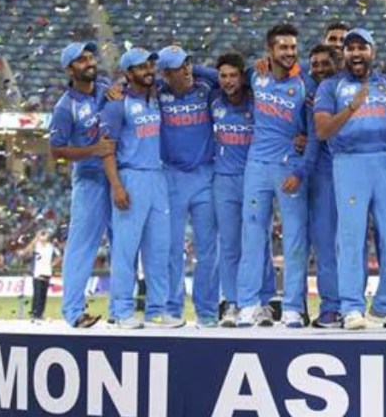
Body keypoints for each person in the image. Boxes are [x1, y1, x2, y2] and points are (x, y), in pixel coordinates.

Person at [314, 28, 386, 330]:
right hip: (349, 162)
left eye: (362, 47)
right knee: (350, 237)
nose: (356, 53)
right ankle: (351, 308)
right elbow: (322, 131)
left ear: (373, 51)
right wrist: (351, 107)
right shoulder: (331, 86)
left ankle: (385, 306)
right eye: (351, 48)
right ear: (344, 53)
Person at [236, 24, 318, 328]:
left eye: (293, 47)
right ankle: (249, 304)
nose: (289, 52)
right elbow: (219, 74)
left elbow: (314, 136)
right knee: (253, 235)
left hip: (289, 169)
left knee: (295, 239)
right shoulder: (255, 75)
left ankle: (293, 307)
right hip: (256, 165)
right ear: (270, 50)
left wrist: (301, 170)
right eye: (283, 47)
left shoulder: (306, 83)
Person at [100, 48, 182, 330]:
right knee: (125, 251)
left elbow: (183, 75)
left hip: (157, 177)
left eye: (150, 65)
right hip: (130, 177)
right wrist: (116, 186)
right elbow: (107, 149)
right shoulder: (117, 104)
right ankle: (122, 310)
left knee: (159, 249)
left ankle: (156, 310)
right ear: (128, 72)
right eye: (141, 67)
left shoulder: (156, 95)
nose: (148, 70)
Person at [48, 41, 113, 328]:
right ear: (69, 69)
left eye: (90, 57)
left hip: (118, 175)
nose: (90, 62)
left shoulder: (106, 88)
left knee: (123, 243)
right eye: (82, 60)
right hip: (90, 179)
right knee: (82, 245)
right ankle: (74, 312)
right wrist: (93, 150)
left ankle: (121, 309)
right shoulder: (65, 107)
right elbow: (56, 151)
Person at [155, 45, 220, 328]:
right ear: (165, 74)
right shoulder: (158, 92)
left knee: (208, 249)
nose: (186, 70)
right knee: (171, 248)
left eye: (187, 63)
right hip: (171, 176)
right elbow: (130, 87)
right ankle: (172, 309)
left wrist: (195, 68)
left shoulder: (206, 87)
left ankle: (207, 311)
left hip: (205, 175)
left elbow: (228, 77)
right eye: (179, 67)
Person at [211, 52, 275, 328]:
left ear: (242, 77)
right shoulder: (213, 99)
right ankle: (232, 302)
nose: (228, 81)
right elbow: (200, 74)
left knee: (259, 241)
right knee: (229, 244)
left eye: (234, 75)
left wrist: (251, 72)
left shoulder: (257, 100)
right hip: (223, 180)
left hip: (254, 177)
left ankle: (263, 302)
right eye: (223, 76)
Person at [305, 44, 342, 328]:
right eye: (314, 64)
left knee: (349, 244)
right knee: (325, 244)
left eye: (324, 63)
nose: (319, 69)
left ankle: (350, 306)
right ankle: (331, 307)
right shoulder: (305, 89)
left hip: (348, 169)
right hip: (318, 173)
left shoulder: (350, 88)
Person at [20, 229, 59, 321]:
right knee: (37, 294)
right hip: (38, 272)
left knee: (43, 295)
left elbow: (59, 256)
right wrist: (36, 238)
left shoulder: (51, 246)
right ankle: (35, 313)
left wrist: (52, 264)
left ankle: (40, 313)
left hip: (47, 272)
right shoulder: (36, 245)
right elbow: (26, 251)